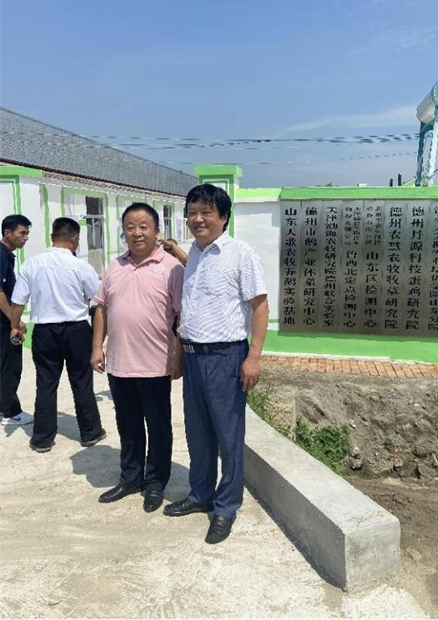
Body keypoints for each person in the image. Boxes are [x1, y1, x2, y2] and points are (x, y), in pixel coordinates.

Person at [163, 184, 269, 544]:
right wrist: (179, 353)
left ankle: (226, 507)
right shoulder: (194, 253)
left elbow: (260, 307)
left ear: (223, 217)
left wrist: (253, 357)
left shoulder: (240, 254)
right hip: (193, 358)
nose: (198, 219)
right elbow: (191, 308)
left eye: (206, 212)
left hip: (226, 357)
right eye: (192, 212)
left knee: (228, 436)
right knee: (198, 433)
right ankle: (200, 494)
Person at [91, 203, 184, 513]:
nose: (137, 232)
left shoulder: (172, 267)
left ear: (157, 231)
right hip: (119, 364)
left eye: (144, 226)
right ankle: (130, 478)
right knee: (128, 425)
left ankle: (155, 482)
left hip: (156, 364)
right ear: (123, 232)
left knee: (158, 427)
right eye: (130, 227)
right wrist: (96, 347)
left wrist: (178, 356)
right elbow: (101, 308)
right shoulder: (115, 266)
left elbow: (182, 315)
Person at [10, 217, 106, 453]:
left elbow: (18, 302)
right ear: (74, 238)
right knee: (81, 382)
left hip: (44, 332)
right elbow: (98, 298)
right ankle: (90, 432)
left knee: (46, 384)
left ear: (52, 237)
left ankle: (42, 439)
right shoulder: (81, 266)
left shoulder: (31, 264)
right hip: (77, 330)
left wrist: (15, 326)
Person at [0, 214, 34, 426]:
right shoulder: (2, 256)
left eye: (27, 233)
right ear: (8, 233)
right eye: (22, 233)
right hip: (4, 323)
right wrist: (15, 321)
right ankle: (11, 412)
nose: (26, 237)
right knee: (10, 366)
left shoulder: (6, 255)